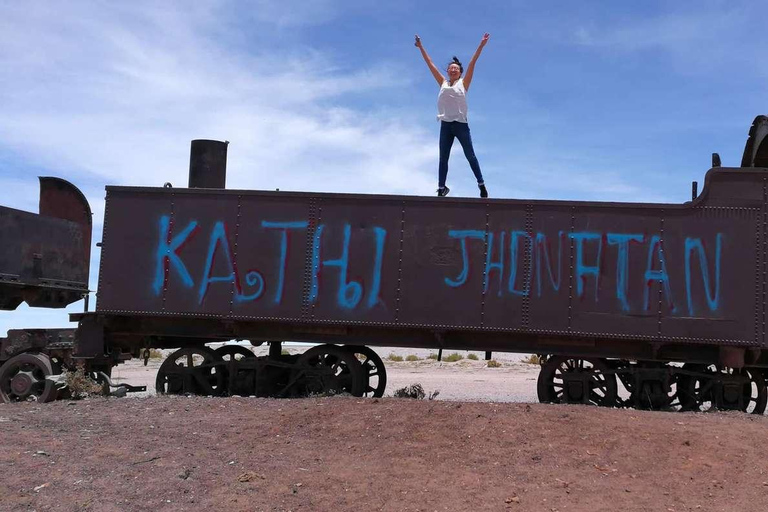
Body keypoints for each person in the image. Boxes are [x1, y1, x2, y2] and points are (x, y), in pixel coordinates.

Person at [415, 33, 490, 198]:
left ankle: (481, 185)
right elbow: (430, 64)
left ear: (460, 72)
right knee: (443, 158)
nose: (453, 69)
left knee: (470, 155)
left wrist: (481, 46)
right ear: (448, 71)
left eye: (456, 68)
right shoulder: (442, 82)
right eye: (451, 68)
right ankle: (441, 188)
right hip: (446, 125)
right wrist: (421, 47)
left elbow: (473, 62)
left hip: (461, 125)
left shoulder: (464, 83)